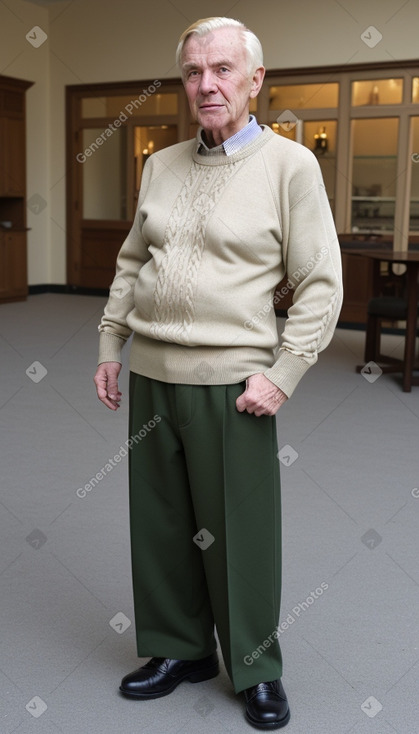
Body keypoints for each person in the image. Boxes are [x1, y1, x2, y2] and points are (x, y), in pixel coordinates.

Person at [94, 16, 343, 730]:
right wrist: (112, 344)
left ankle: (255, 666)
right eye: (194, 72)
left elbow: (320, 282)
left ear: (255, 80)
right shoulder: (160, 164)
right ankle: (179, 649)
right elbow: (132, 262)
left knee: (240, 532)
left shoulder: (290, 167)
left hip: (235, 383)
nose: (207, 84)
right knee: (162, 526)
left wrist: (284, 371)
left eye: (223, 70)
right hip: (155, 373)